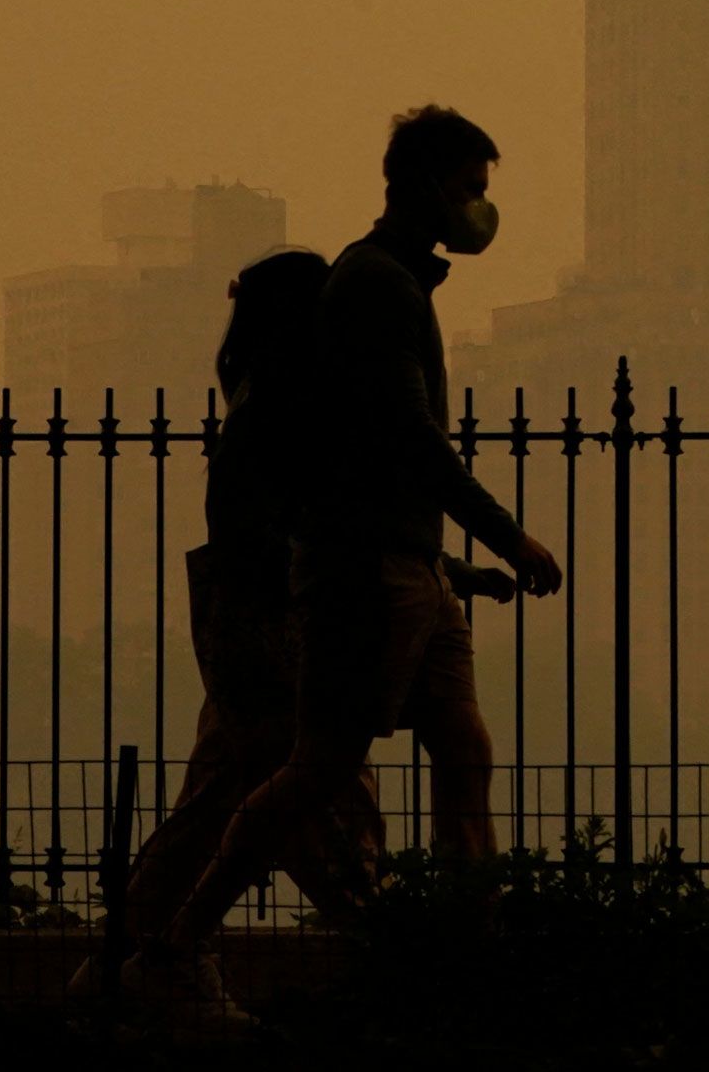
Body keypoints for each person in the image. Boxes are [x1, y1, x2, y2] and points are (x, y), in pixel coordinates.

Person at [160, 105, 561, 973]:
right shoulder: (376, 284)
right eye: (469, 190)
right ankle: (180, 939)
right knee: (319, 766)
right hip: (369, 574)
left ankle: (471, 937)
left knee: (464, 745)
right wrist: (505, 537)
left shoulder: (398, 282)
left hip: (411, 566)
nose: (480, 210)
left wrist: (453, 565)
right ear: (422, 185)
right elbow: (407, 438)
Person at [78, 248, 519, 1017]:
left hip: (251, 625)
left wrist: (441, 563)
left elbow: (333, 516)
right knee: (322, 800)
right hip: (279, 624)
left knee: (227, 796)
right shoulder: (286, 403)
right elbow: (324, 523)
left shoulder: (272, 397)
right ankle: (384, 948)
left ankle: (136, 957)